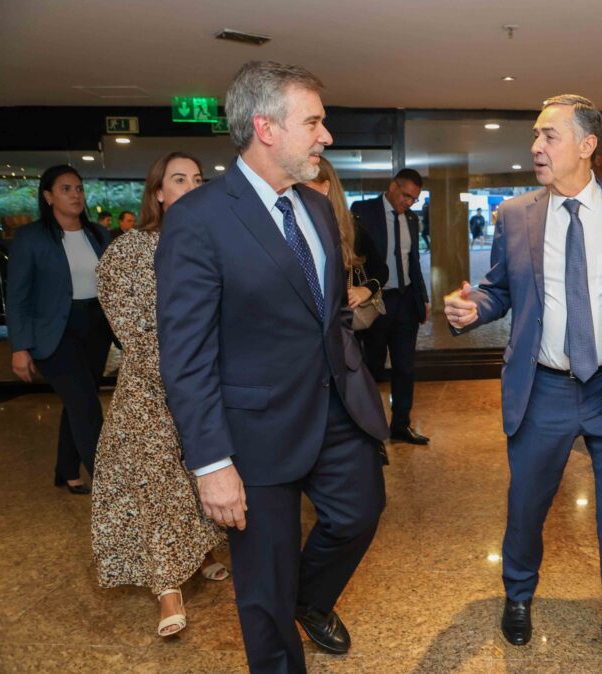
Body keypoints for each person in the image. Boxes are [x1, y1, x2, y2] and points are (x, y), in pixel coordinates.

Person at [155, 60, 388, 673]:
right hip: (252, 431)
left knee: (360, 514)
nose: (325, 136)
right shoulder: (198, 218)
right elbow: (186, 352)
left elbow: (327, 314)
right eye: (313, 122)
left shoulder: (314, 207)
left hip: (335, 410)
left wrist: (355, 379)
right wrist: (211, 463)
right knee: (264, 583)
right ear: (265, 128)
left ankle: (306, 601)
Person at [444, 94, 602, 674]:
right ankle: (518, 594)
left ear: (586, 146)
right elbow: (499, 290)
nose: (536, 147)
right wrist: (474, 309)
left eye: (549, 136)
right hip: (543, 389)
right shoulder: (516, 214)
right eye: (535, 135)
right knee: (526, 507)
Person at [91, 152, 228, 639]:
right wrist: (183, 378)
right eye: (179, 179)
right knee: (157, 486)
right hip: (150, 392)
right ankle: (167, 588)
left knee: (198, 476)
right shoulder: (128, 252)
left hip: (204, 388)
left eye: (198, 179)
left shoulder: (213, 246)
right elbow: (135, 331)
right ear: (158, 194)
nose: (191, 187)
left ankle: (203, 552)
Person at [6, 164, 114, 495]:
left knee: (79, 401)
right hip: (55, 333)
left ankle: (67, 470)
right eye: (66, 189)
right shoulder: (31, 237)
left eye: (79, 188)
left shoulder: (98, 235)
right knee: (86, 406)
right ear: (48, 196)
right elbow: (18, 297)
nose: (75, 195)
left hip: (95, 327)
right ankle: (111, 488)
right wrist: (19, 346)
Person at [352, 168, 431, 445]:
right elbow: (354, 258)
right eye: (406, 196)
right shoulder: (362, 211)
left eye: (414, 199)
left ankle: (401, 425)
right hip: (376, 302)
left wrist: (422, 298)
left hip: (405, 301)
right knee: (371, 367)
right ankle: (368, 430)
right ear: (393, 187)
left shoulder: (411, 219)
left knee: (405, 368)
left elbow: (413, 263)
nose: (409, 202)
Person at [304, 157, 387, 316]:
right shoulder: (294, 225)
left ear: (325, 187)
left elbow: (382, 270)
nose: (297, 192)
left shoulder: (351, 228)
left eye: (304, 185)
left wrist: (365, 290)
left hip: (343, 320)